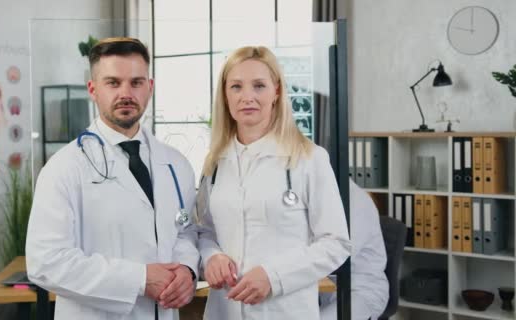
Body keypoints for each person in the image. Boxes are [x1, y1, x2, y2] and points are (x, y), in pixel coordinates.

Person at [26, 37, 200, 320]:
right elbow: (46, 262)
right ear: (93, 90)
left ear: (150, 87)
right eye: (113, 83)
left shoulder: (175, 163)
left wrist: (187, 269)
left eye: (136, 82)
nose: (126, 93)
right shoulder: (64, 168)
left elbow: (184, 231)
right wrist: (139, 279)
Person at [196, 46, 351, 320]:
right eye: (236, 87)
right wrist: (212, 258)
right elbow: (205, 232)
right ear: (224, 95)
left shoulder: (309, 158)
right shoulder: (215, 162)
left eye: (259, 86)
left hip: (285, 310)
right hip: (224, 310)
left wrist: (274, 277)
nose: (247, 97)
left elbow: (336, 243)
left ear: (276, 91)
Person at [319, 179, 389, 320]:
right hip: (325, 289)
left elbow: (337, 258)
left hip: (359, 291)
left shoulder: (354, 200)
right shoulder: (320, 193)